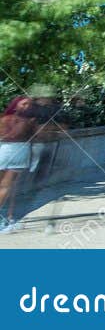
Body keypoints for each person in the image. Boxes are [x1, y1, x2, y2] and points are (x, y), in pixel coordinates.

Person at [0, 96, 40, 233]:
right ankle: (5, 220)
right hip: (18, 151)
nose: (27, 106)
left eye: (29, 104)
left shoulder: (5, 118)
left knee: (10, 187)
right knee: (6, 187)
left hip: (6, 151)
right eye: (24, 104)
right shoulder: (28, 121)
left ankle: (9, 218)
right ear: (16, 105)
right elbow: (33, 138)